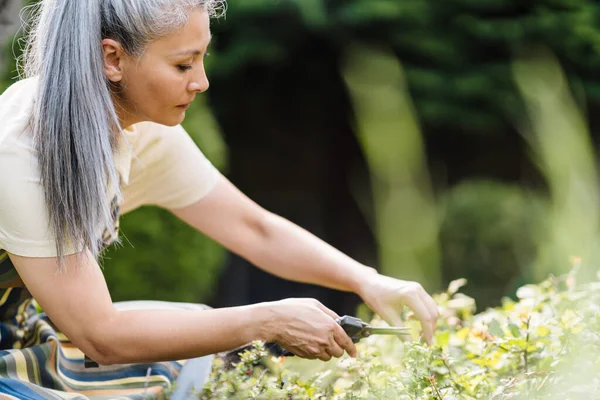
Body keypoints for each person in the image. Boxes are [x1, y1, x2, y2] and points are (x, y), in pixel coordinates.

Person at [0, 0, 440, 399]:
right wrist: (266, 320)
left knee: (191, 342)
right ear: (112, 58)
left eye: (202, 58)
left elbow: (253, 228)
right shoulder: (22, 150)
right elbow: (103, 337)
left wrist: (367, 280)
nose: (202, 82)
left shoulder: (136, 130)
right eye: (182, 65)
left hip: (20, 340)